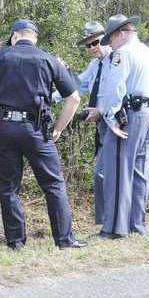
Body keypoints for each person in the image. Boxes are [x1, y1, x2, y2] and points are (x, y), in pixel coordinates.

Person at [0, 19, 86, 250]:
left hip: (4, 130)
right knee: (53, 185)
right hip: (37, 130)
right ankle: (65, 240)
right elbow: (74, 98)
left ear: (14, 37)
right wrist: (58, 129)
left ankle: (17, 243)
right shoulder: (49, 59)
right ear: (34, 38)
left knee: (9, 188)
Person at [95, 14, 149, 238]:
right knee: (141, 170)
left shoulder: (123, 53)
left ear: (121, 34)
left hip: (129, 116)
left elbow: (116, 87)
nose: (110, 46)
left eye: (110, 40)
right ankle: (136, 224)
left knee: (118, 170)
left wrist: (111, 119)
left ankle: (115, 228)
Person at [52, 21, 112, 225]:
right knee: (104, 172)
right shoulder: (95, 65)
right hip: (103, 126)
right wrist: (48, 98)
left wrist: (102, 111)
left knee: (108, 173)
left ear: (107, 37)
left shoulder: (120, 60)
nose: (93, 47)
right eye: (88, 45)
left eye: (96, 42)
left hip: (121, 124)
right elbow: (75, 86)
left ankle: (114, 221)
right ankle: (108, 221)